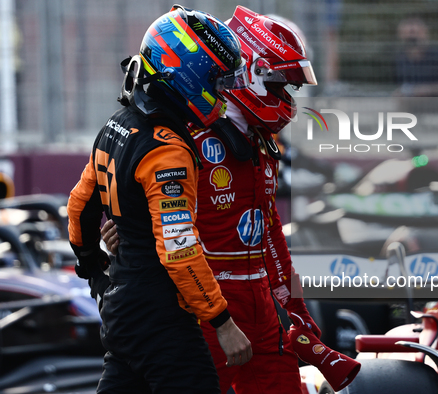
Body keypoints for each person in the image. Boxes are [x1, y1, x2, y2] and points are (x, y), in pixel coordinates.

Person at [102, 6, 360, 394]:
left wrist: (297, 312)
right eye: (279, 84)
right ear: (253, 75)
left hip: (262, 310)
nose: (285, 96)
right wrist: (116, 230)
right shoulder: (184, 137)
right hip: (203, 312)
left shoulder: (261, 143)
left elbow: (270, 234)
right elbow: (122, 202)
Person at [67, 5, 252, 393]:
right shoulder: (168, 152)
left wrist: (95, 271)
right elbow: (179, 249)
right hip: (161, 322)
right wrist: (223, 322)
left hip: (121, 315)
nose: (220, 92)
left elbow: (79, 207)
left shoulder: (115, 126)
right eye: (215, 80)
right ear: (187, 76)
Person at [393, 17, 438, 99]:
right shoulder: (400, 59)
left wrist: (428, 90)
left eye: (415, 33)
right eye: (408, 34)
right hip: (412, 108)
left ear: (424, 33)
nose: (412, 38)